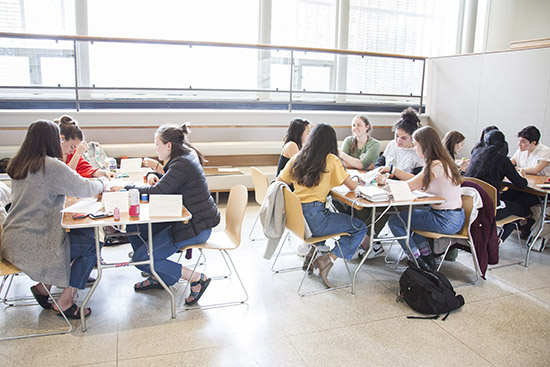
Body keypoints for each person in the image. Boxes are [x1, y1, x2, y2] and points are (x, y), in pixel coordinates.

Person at [0, 120, 105, 318]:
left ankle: (43, 288)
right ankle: (65, 302)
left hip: (12, 239)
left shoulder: (18, 163)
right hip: (35, 243)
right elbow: (85, 188)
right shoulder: (50, 165)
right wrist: (103, 182)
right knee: (93, 242)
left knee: (82, 236)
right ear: (51, 140)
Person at [120, 124, 220, 306]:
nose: (154, 148)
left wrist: (125, 188)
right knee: (134, 227)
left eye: (157, 144)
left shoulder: (182, 162)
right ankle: (157, 275)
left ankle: (197, 278)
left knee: (141, 258)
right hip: (184, 219)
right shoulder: (183, 155)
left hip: (194, 227)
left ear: (169, 146)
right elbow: (167, 179)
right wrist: (152, 173)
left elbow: (159, 190)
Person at [277, 123, 370, 287]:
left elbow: (279, 183)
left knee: (333, 216)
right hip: (315, 220)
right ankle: (327, 260)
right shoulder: (332, 160)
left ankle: (312, 254)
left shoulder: (298, 157)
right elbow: (353, 187)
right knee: (360, 227)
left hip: (297, 218)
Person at [377, 126, 465, 272]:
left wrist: (385, 181)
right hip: (453, 216)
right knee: (410, 219)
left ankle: (416, 259)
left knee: (395, 220)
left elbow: (409, 186)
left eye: (416, 145)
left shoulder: (435, 166)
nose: (414, 148)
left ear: (424, 145)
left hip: (445, 219)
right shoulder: (442, 162)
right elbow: (417, 180)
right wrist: (393, 171)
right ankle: (426, 257)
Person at [465, 130, 529, 241]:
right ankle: (500, 239)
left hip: (470, 206)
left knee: (509, 198)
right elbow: (522, 184)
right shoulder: (503, 160)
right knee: (523, 208)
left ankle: (497, 239)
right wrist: (522, 175)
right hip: (490, 210)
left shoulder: (476, 153)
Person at [505, 125, 550, 238]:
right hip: (523, 186)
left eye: (523, 142)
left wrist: (520, 169)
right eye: (519, 141)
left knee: (518, 204)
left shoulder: (545, 151)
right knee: (504, 198)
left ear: (533, 143)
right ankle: (522, 222)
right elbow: (510, 164)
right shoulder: (521, 150)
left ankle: (525, 223)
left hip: (538, 190)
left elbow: (536, 170)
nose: (519, 145)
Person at [375, 107, 424, 175]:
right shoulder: (392, 144)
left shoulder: (417, 153)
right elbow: (379, 163)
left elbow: (415, 179)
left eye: (403, 138)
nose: (398, 140)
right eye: (397, 135)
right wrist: (378, 171)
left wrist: (391, 175)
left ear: (412, 138)